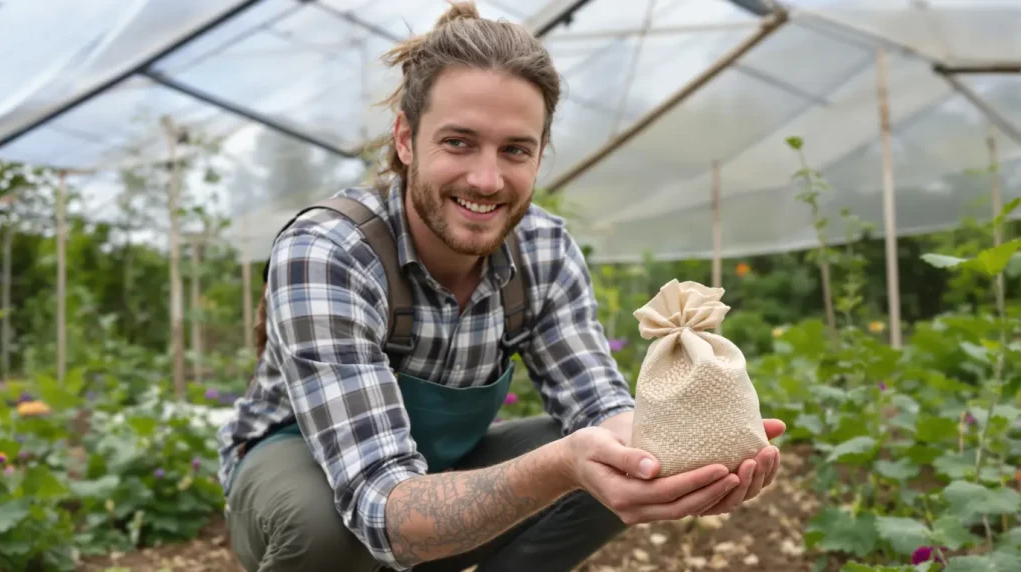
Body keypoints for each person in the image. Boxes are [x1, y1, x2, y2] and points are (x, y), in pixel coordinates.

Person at [215, 3, 785, 571]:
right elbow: (378, 507)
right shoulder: (330, 252)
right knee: (323, 529)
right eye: (459, 142)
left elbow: (598, 405)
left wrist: (682, 451)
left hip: (437, 471)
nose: (487, 180)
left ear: (540, 155)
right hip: (310, 471)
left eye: (515, 149)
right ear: (406, 140)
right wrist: (561, 465)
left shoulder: (543, 248)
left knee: (623, 460)